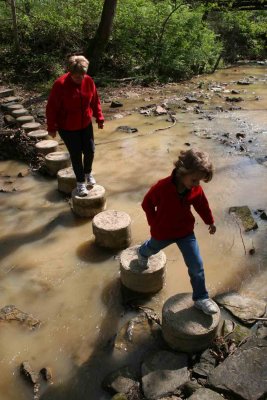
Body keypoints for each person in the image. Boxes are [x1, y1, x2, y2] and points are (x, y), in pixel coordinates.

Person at [138, 149, 219, 315]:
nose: (197, 184)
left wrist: (209, 221)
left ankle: (201, 298)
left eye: (200, 181)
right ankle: (142, 252)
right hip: (163, 231)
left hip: (185, 232)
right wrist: (154, 224)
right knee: (151, 248)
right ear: (183, 171)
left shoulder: (196, 189)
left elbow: (201, 205)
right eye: (194, 179)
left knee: (196, 265)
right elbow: (147, 204)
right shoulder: (162, 187)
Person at [46, 55, 104, 196]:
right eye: (77, 76)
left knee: (90, 150)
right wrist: (51, 127)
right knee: (76, 155)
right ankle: (80, 183)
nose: (80, 79)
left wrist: (99, 117)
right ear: (70, 73)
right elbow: (51, 108)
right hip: (67, 127)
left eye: (82, 75)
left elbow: (95, 100)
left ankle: (88, 173)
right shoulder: (60, 85)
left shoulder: (88, 81)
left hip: (85, 123)